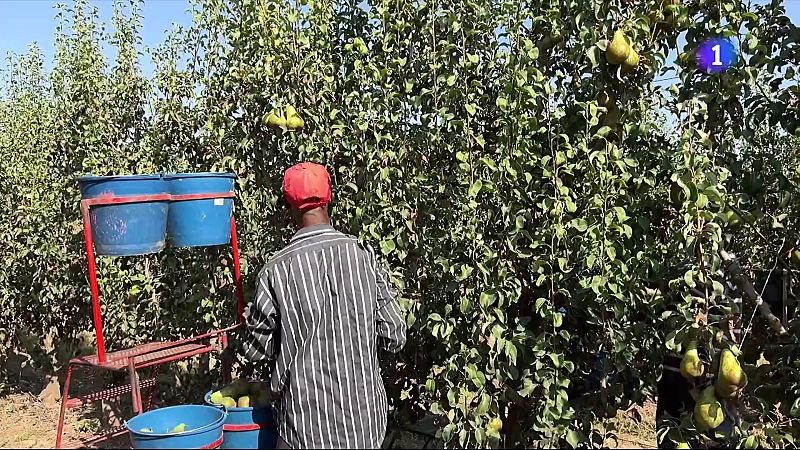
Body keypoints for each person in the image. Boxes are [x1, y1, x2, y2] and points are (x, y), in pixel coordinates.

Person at [241, 162, 407, 449]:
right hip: (364, 424)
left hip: (304, 428)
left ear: (288, 205)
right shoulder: (362, 256)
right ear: (329, 198)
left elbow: (257, 350)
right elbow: (395, 334)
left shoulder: (276, 270)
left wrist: (251, 326)